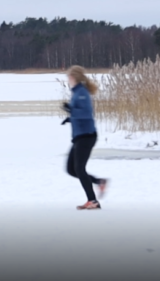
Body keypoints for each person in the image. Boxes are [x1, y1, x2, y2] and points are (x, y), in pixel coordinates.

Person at [61, 65, 108, 210]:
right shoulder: (77, 92)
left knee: (79, 169)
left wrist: (72, 111)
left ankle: (93, 201)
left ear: (74, 77)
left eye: (69, 76)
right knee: (71, 169)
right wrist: (70, 118)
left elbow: (87, 114)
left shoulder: (81, 92)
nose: (68, 79)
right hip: (80, 136)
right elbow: (80, 113)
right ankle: (99, 181)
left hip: (86, 136)